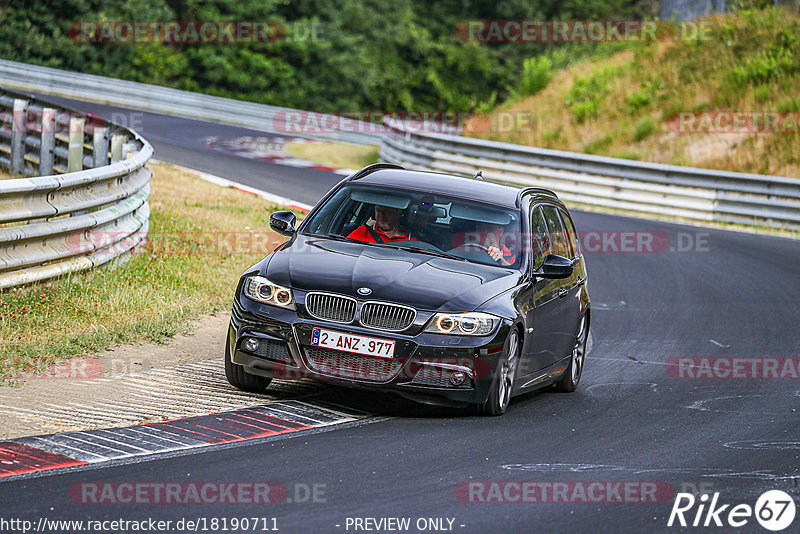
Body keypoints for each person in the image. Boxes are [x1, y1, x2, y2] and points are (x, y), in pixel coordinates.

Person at [347, 205, 416, 243]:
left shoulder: (413, 241)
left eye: (387, 212)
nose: (381, 215)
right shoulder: (363, 232)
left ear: (399, 213)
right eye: (378, 211)